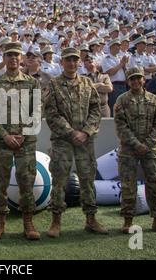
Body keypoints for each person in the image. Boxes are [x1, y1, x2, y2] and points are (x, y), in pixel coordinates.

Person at [44, 47, 108, 238]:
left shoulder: (88, 83)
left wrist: (86, 132)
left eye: (74, 60)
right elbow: (52, 114)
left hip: (85, 141)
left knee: (87, 179)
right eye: (68, 60)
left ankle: (91, 219)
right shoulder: (54, 84)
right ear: (62, 62)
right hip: (63, 141)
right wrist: (72, 132)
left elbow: (97, 110)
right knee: (59, 180)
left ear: (78, 62)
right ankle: (56, 220)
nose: (72, 63)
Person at [0, 41, 41, 240]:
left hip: (26, 141)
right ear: (4, 58)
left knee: (27, 180)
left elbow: (37, 111)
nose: (13, 58)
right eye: (9, 54)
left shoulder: (32, 82)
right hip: (2, 141)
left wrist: (24, 134)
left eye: (16, 55)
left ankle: (28, 222)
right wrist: (5, 135)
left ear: (22, 58)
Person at [114, 67, 156, 235]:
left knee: (155, 184)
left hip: (150, 149)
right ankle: (128, 221)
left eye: (138, 78)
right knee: (128, 185)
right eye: (132, 79)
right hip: (128, 149)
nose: (135, 81)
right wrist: (136, 144)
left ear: (144, 80)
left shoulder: (154, 100)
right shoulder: (122, 100)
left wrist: (148, 144)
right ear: (128, 81)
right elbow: (120, 126)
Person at [101, 38, 130, 116]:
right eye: (117, 45)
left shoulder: (120, 58)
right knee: (114, 107)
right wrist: (121, 64)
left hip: (123, 85)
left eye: (119, 45)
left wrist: (124, 65)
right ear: (111, 47)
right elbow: (110, 72)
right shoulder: (106, 59)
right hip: (114, 85)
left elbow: (125, 71)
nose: (119, 47)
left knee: (124, 108)